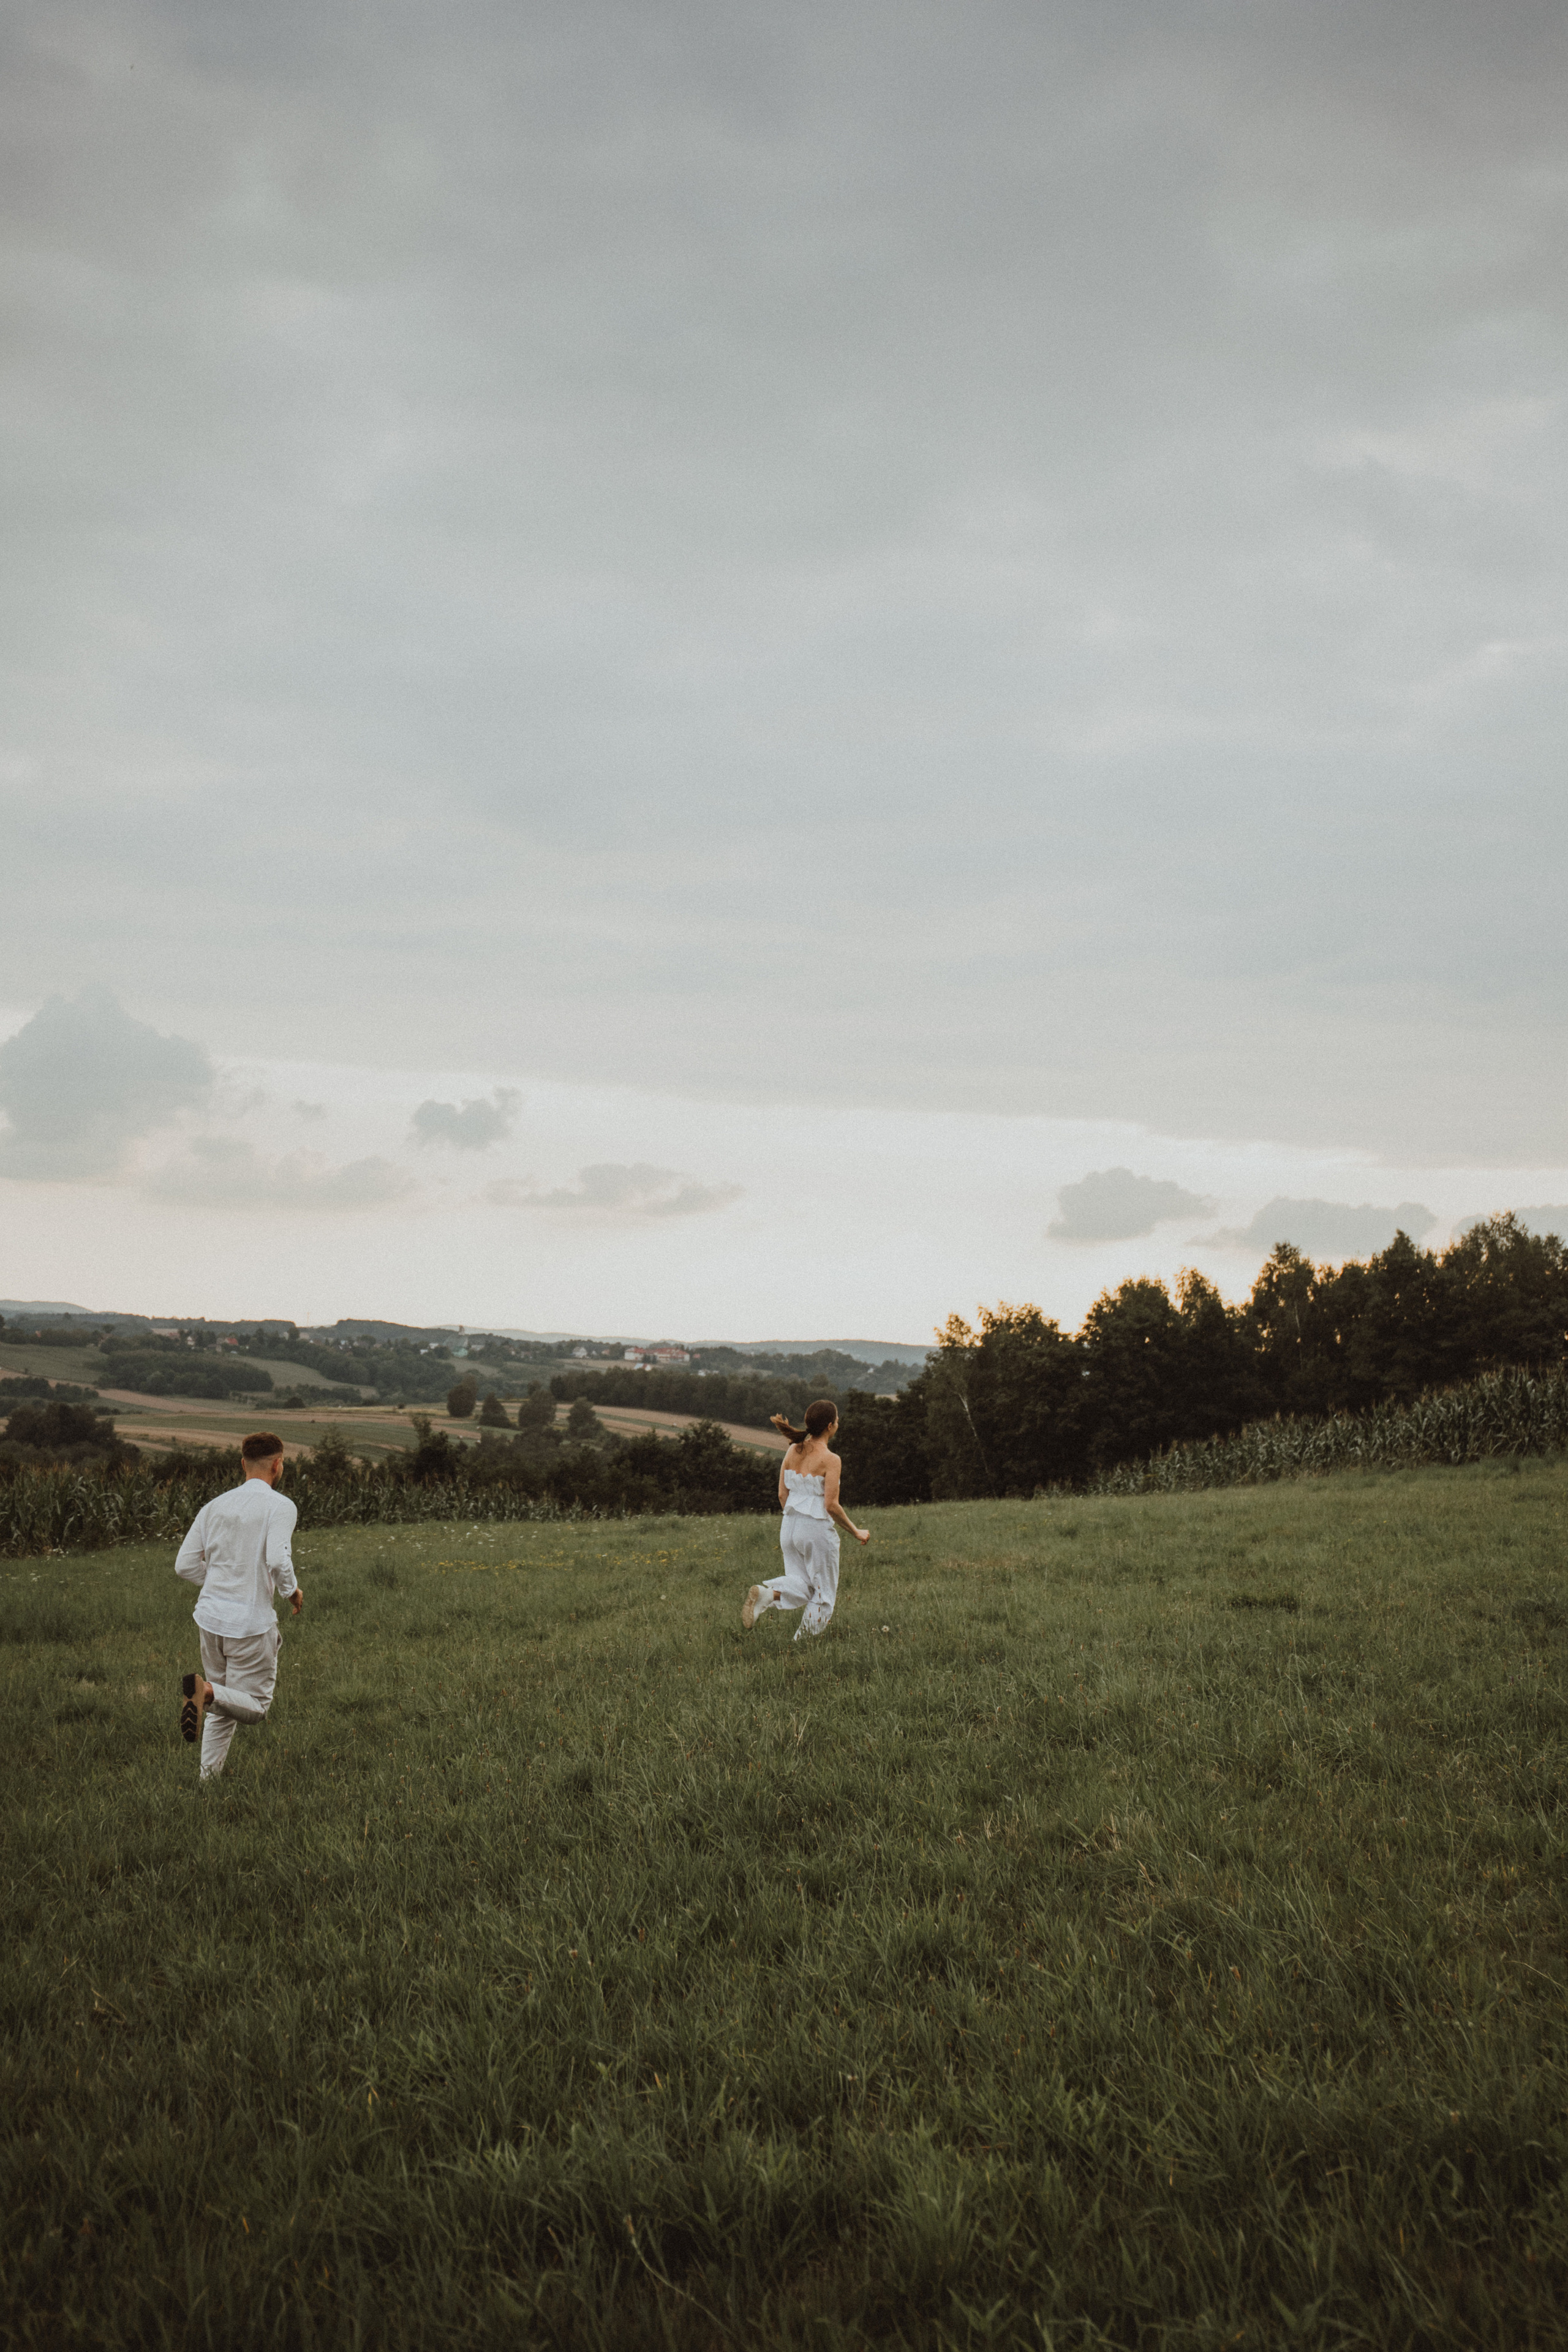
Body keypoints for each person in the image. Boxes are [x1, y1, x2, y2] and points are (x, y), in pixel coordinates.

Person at [175, 1431, 303, 1779]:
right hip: (249, 1624)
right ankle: (207, 1692)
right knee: (256, 1706)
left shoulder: (214, 1506)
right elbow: (278, 1559)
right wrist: (291, 1592)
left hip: (210, 1620)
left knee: (223, 1705)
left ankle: (208, 1780)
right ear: (278, 1465)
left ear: (242, 1464)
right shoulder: (281, 1506)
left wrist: (219, 1583)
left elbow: (184, 1565)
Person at [742, 1398, 869, 1639]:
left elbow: (782, 1494)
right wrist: (856, 1531)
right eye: (838, 1420)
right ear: (830, 1426)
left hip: (789, 1527)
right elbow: (831, 1505)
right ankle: (801, 1647)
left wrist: (795, 1517)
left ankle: (768, 1595)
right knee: (823, 1596)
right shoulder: (832, 1459)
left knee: (803, 1586)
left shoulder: (792, 1450)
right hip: (815, 1530)